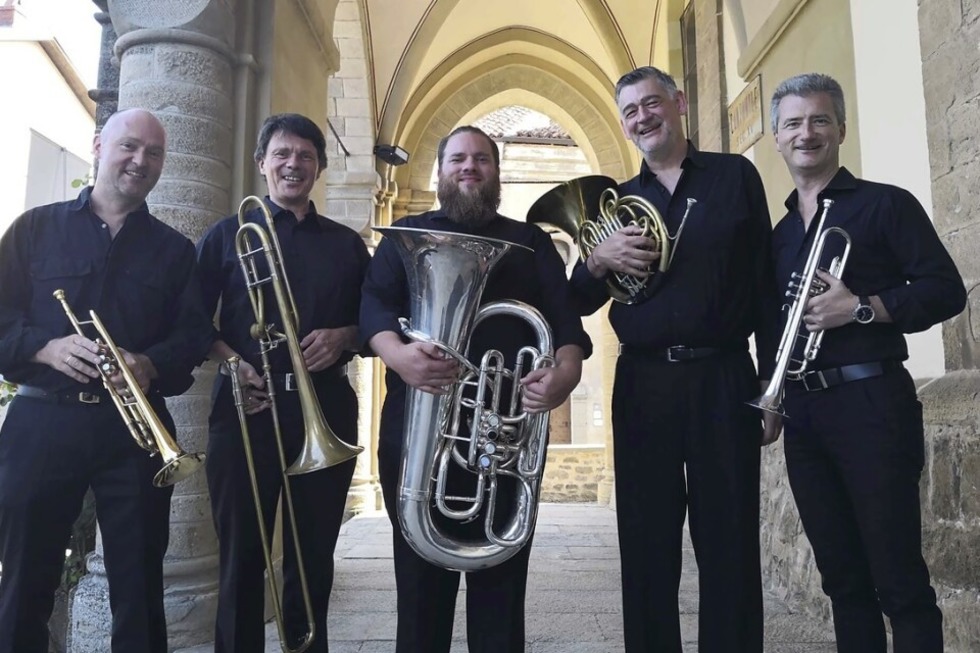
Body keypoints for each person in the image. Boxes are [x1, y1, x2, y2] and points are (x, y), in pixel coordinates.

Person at [568, 66, 781, 653]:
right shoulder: (616, 202)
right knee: (644, 541)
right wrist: (596, 258)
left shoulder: (735, 176)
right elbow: (576, 300)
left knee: (730, 540)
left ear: (679, 103)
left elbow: (764, 286)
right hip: (643, 382)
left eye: (651, 103)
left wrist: (771, 385)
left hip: (724, 376)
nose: (642, 117)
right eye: (630, 110)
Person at [360, 125, 591, 653]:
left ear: (496, 173)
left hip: (502, 434)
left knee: (501, 589)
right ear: (440, 171)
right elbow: (372, 306)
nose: (470, 167)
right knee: (418, 592)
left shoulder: (531, 243)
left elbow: (565, 324)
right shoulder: (406, 234)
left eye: (482, 160)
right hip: (417, 430)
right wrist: (397, 356)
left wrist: (565, 373)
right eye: (458, 159)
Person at [0, 108, 212, 653]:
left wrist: (149, 363)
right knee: (24, 576)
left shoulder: (174, 251)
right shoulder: (34, 229)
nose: (140, 161)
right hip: (43, 419)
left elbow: (191, 337)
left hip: (134, 434)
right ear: (99, 146)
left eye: (154, 153)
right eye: (129, 147)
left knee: (140, 584)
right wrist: (45, 347)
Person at [769, 72, 965, 653]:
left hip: (873, 405)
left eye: (820, 120)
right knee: (843, 583)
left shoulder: (885, 204)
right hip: (804, 415)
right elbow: (770, 325)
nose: (807, 133)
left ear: (841, 129)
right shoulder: (779, 235)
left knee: (898, 580)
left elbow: (945, 290)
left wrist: (862, 308)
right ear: (777, 138)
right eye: (794, 123)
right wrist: (770, 394)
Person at [196, 112, 369, 653]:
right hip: (247, 410)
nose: (294, 164)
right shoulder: (227, 235)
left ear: (318, 168)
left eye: (306, 156)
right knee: (241, 557)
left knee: (313, 555)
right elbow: (189, 322)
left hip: (325, 408)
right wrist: (231, 362)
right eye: (283, 154)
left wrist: (343, 336)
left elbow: (379, 322)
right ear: (262, 164)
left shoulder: (346, 245)